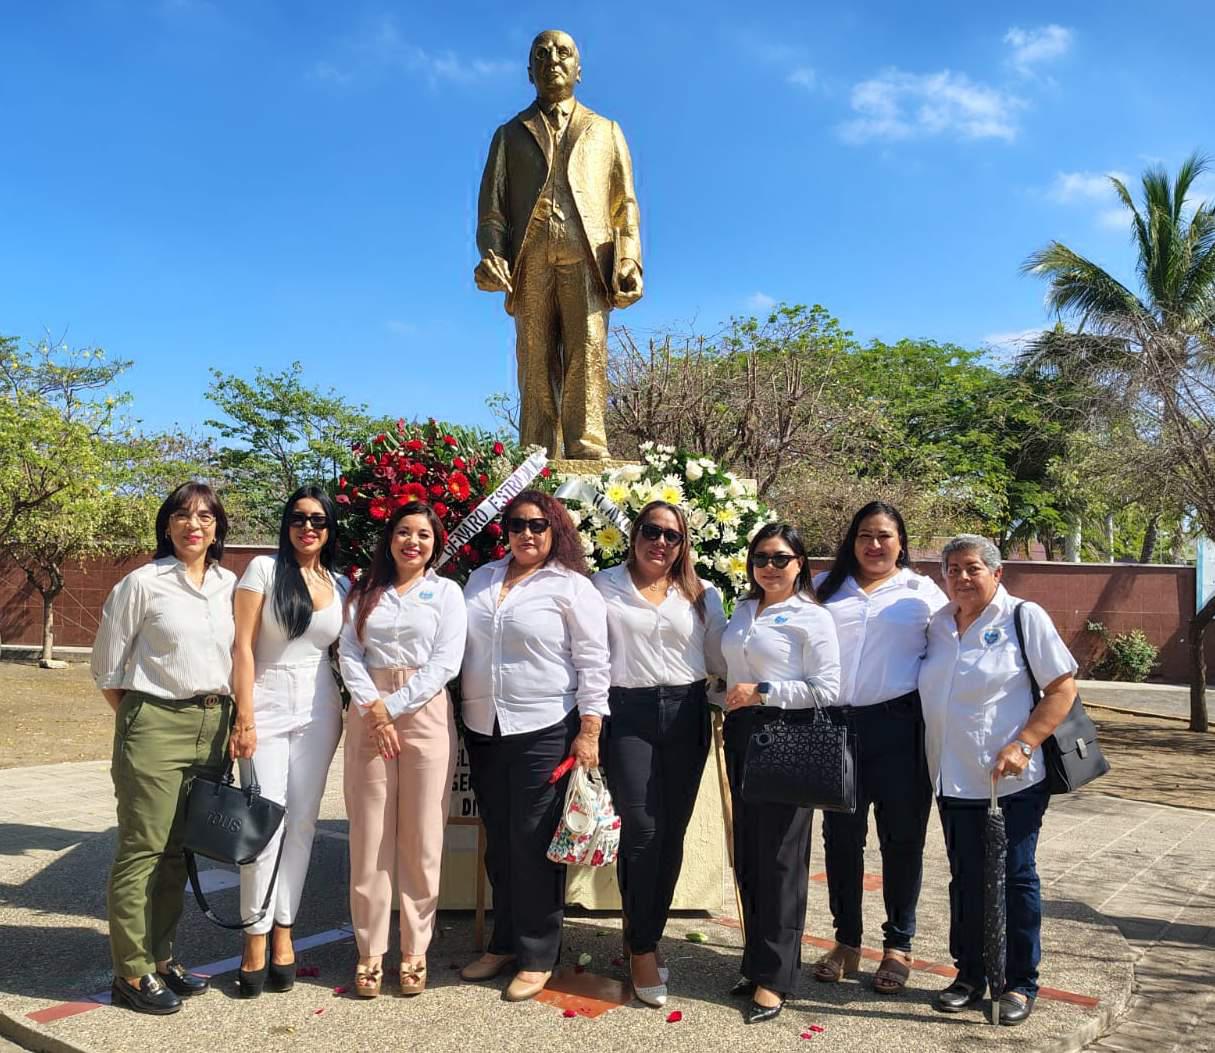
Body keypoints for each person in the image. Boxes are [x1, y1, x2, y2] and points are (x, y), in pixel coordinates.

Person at [919, 534, 1076, 1026]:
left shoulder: (1022, 617)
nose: (962, 578)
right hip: (950, 778)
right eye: (952, 570)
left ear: (997, 572)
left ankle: (1018, 983)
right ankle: (970, 975)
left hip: (1009, 781)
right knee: (965, 879)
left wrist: (1025, 741)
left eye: (972, 569)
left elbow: (1062, 687)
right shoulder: (939, 624)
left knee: (1015, 877)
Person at [459, 489, 610, 1001]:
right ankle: (504, 941)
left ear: (556, 531)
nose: (527, 533)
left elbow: (594, 664)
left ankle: (538, 952)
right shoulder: (481, 579)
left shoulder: (572, 587)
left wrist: (589, 731)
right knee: (499, 841)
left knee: (533, 841)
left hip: (544, 727)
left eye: (538, 525)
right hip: (483, 726)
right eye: (518, 524)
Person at [91, 482, 235, 1015]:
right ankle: (130, 971)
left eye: (204, 516)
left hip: (213, 723)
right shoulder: (142, 584)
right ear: (167, 525)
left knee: (178, 852)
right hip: (154, 720)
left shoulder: (228, 584)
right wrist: (142, 722)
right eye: (181, 515)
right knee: (142, 848)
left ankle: (160, 958)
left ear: (218, 527)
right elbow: (107, 668)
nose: (192, 524)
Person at [474, 28, 643, 460]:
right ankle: (536, 450)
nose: (553, 60)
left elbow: (624, 204)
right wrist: (493, 255)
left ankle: (588, 444)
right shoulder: (509, 135)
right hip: (530, 261)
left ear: (579, 69)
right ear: (529, 70)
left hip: (588, 257)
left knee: (588, 351)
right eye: (541, 54)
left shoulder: (606, 130)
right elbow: (493, 212)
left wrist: (628, 261)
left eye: (563, 53)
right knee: (534, 357)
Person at [593, 501, 727, 1007]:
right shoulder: (602, 586)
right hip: (628, 713)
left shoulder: (700, 594)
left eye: (672, 536)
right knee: (643, 829)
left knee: (672, 833)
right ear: (634, 534)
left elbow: (718, 657)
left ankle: (640, 931)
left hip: (688, 711)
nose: (661, 543)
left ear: (683, 543)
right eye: (651, 531)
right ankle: (644, 946)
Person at [812, 502, 948, 994]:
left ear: (901, 543)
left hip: (899, 729)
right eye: (866, 535)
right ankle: (846, 941)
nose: (874, 545)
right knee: (841, 840)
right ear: (852, 540)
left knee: (902, 840)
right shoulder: (826, 588)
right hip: (836, 729)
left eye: (885, 536)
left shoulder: (923, 593)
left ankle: (898, 946)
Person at [338, 501, 466, 998]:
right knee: (369, 836)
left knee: (421, 835)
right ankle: (370, 951)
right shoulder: (365, 592)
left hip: (425, 712)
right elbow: (349, 652)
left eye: (424, 535)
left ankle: (415, 950)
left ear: (435, 544)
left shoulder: (446, 593)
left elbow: (445, 662)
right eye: (404, 532)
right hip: (369, 711)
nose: (413, 542)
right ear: (389, 539)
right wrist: (373, 708)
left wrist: (394, 708)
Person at [720, 523, 841, 1024]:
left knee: (782, 860)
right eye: (762, 558)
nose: (770, 567)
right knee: (748, 853)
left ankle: (777, 977)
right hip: (742, 735)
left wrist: (763, 691)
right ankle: (756, 961)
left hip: (786, 736)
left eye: (781, 558)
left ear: (800, 564)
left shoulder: (812, 618)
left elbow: (828, 688)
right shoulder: (744, 611)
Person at [230, 487, 346, 997]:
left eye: (319, 520)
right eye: (299, 518)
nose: (308, 528)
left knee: (301, 824)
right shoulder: (262, 570)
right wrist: (244, 717)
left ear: (330, 528)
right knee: (263, 825)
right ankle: (254, 935)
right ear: (286, 523)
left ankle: (284, 930)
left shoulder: (338, 581)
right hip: (267, 703)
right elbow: (242, 646)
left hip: (321, 708)